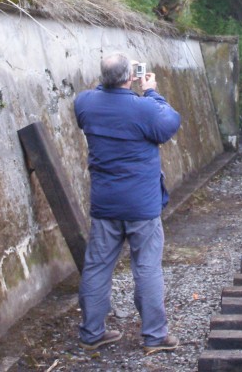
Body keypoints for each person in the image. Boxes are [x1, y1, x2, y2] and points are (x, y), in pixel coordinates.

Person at [74, 52, 182, 354]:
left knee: (96, 267)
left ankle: (92, 332)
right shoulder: (144, 108)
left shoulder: (84, 103)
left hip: (105, 203)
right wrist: (151, 91)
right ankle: (155, 337)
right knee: (147, 268)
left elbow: (95, 102)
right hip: (141, 205)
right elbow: (170, 123)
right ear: (130, 77)